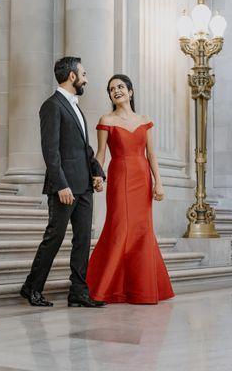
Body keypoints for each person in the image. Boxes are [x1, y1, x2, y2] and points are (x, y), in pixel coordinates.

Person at [20, 57, 106, 308]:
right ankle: (32, 287)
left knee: (82, 240)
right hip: (65, 188)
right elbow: (51, 151)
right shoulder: (52, 105)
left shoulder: (77, 108)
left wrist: (98, 172)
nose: (86, 79)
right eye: (84, 74)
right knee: (54, 237)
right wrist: (61, 185)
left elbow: (84, 149)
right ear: (72, 76)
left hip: (85, 186)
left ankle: (78, 292)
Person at [86, 74, 175, 304]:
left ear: (131, 92)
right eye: (111, 89)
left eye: (121, 87)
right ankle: (106, 286)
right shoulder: (106, 119)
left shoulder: (145, 120)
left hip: (142, 178)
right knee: (119, 228)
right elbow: (101, 154)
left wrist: (159, 182)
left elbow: (151, 155)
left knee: (142, 229)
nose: (116, 91)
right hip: (119, 178)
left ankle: (140, 289)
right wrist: (97, 176)